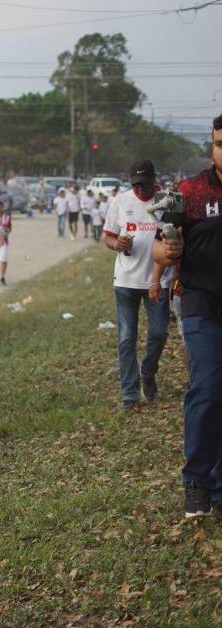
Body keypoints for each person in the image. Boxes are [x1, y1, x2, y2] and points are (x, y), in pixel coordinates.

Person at [154, 114, 222, 518]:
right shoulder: (191, 191)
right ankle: (197, 480)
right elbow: (161, 250)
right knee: (210, 385)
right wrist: (168, 252)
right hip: (200, 302)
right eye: (218, 142)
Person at [104, 159, 171, 412]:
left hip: (158, 280)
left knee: (159, 333)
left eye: (145, 184)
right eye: (136, 185)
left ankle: (148, 371)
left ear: (154, 180)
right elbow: (108, 237)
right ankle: (130, 395)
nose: (140, 190)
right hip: (125, 281)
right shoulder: (120, 202)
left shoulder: (165, 201)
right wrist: (117, 244)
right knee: (126, 338)